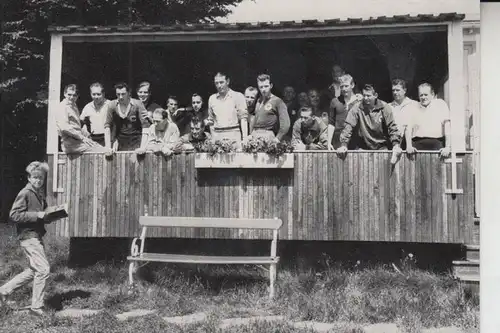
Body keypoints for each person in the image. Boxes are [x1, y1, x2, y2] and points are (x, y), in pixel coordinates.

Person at [0, 162, 51, 316]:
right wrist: (37, 215)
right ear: (29, 178)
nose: (38, 181)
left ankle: (3, 290)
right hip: (28, 237)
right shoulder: (26, 192)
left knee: (33, 269)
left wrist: (49, 214)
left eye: (41, 178)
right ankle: (36, 307)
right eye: (35, 177)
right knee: (43, 269)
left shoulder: (39, 193)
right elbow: (14, 215)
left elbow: (40, 213)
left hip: (35, 235)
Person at [337, 84, 401, 158]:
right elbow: (348, 126)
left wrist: (396, 144)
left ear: (375, 95)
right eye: (364, 95)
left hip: (382, 147)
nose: (365, 98)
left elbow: (392, 127)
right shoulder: (357, 108)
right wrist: (343, 145)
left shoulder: (385, 107)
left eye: (368, 96)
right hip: (363, 148)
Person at [55, 84, 108, 154]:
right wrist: (82, 138)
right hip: (71, 144)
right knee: (104, 151)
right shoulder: (62, 106)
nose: (71, 97)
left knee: (102, 148)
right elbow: (64, 127)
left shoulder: (73, 106)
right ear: (64, 94)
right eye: (69, 94)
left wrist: (85, 134)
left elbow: (78, 125)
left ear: (77, 96)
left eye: (74, 95)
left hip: (77, 142)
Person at [406, 83, 451, 158]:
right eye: (421, 95)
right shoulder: (413, 107)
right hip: (417, 145)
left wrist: (448, 147)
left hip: (436, 145)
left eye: (426, 95)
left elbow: (447, 126)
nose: (423, 97)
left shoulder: (440, 104)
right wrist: (409, 145)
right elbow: (408, 128)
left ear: (432, 94)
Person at [104, 82, 149, 153]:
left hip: (136, 140)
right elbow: (107, 126)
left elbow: (145, 126)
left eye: (123, 94)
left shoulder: (138, 104)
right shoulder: (112, 105)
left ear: (128, 93)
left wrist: (143, 147)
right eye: (118, 94)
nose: (120, 97)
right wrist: (108, 147)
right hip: (120, 141)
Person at [207, 72, 248, 144]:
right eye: (216, 83)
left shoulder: (238, 96)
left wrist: (245, 139)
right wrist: (213, 138)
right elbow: (211, 121)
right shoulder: (212, 99)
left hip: (233, 135)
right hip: (218, 136)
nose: (219, 86)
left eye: (221, 82)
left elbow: (243, 119)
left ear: (228, 81)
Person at [249, 74, 290, 142]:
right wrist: (250, 134)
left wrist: (278, 138)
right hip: (255, 135)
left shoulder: (278, 101)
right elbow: (254, 120)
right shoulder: (259, 101)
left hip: (267, 135)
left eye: (266, 86)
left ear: (271, 86)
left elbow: (286, 123)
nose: (263, 89)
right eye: (261, 87)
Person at [329, 74, 362, 149]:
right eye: (341, 86)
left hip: (355, 141)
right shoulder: (335, 101)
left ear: (352, 85)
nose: (344, 89)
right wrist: (329, 142)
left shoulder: (359, 101)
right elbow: (331, 123)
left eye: (346, 86)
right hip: (337, 141)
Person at [389, 79, 419, 150]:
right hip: (394, 142)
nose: (395, 92)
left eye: (398, 90)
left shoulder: (414, 104)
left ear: (404, 90)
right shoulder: (388, 107)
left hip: (411, 143)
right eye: (393, 90)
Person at [80, 82, 110, 146]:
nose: (96, 97)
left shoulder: (110, 105)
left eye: (98, 94)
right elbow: (81, 122)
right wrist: (84, 127)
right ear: (90, 94)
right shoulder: (87, 107)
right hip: (93, 139)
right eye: (94, 94)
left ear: (103, 94)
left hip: (108, 138)